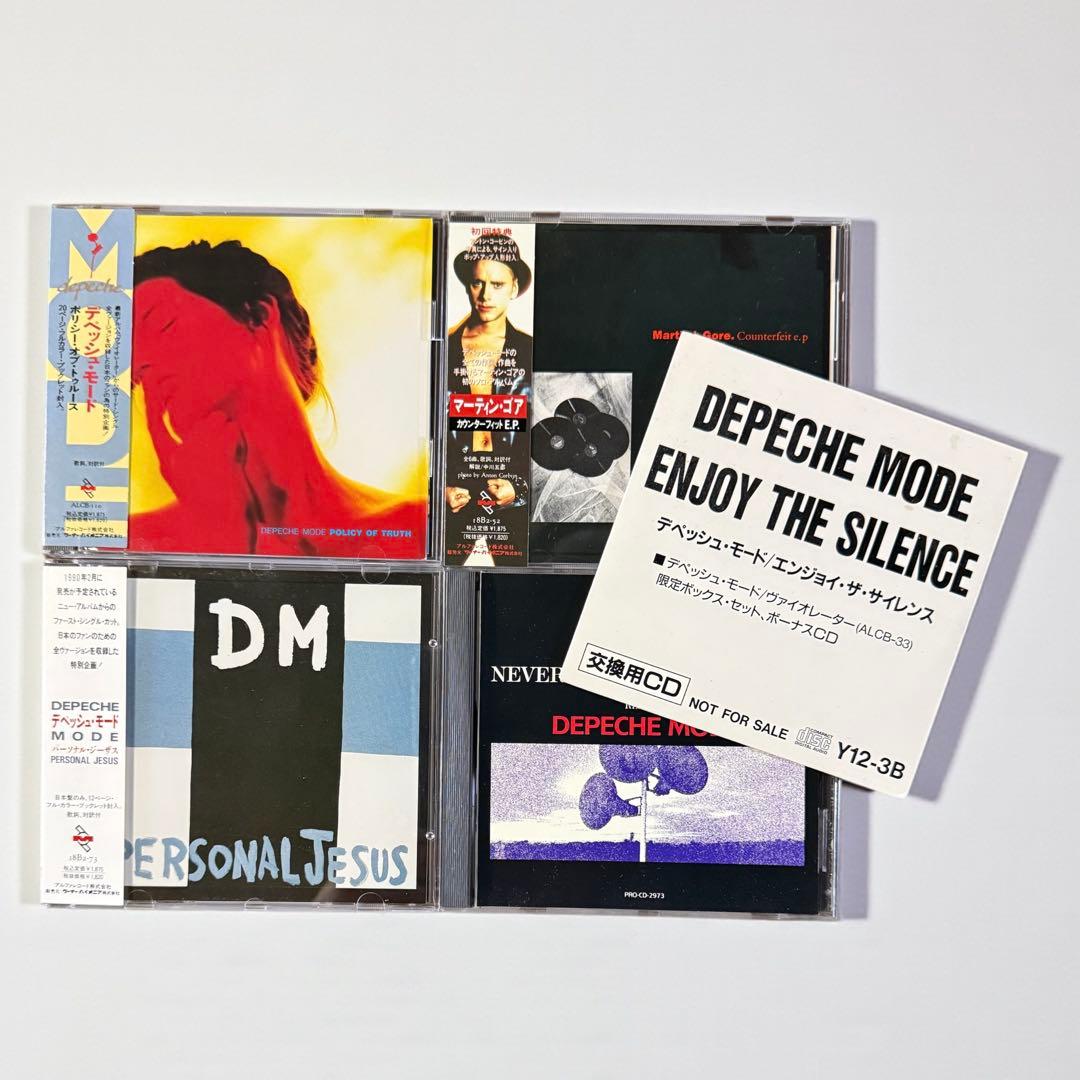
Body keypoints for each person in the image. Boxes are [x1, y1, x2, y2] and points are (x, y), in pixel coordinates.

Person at [128, 240, 427, 557]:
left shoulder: (419, 529)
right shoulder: (134, 542)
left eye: (162, 324)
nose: (141, 364)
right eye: (133, 366)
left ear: (258, 315)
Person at [449, 233, 533, 452]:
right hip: (453, 469)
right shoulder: (445, 348)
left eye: (497, 285)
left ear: (514, 288)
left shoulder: (529, 350)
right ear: (468, 285)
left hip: (512, 470)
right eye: (477, 283)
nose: (485, 295)